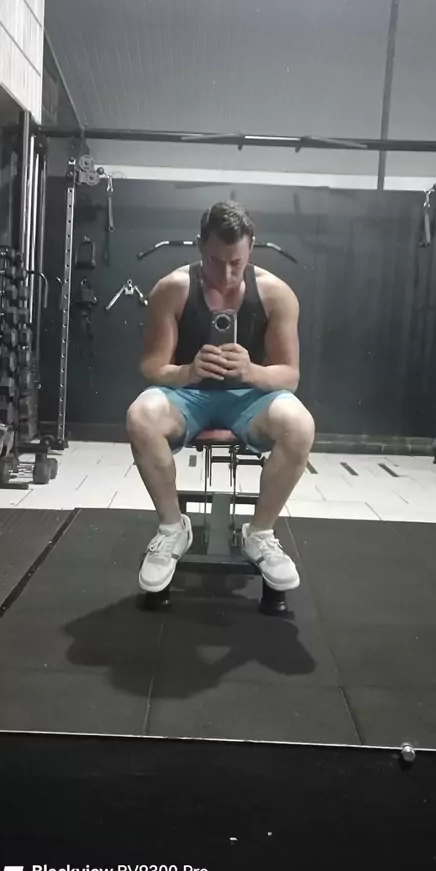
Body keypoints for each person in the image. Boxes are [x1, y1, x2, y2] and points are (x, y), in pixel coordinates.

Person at [127, 202, 315, 595]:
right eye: (215, 261)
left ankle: (260, 534)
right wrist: (187, 372)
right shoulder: (173, 289)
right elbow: (151, 366)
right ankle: (172, 529)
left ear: (251, 249)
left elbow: (289, 375)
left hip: (250, 398)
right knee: (141, 415)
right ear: (200, 246)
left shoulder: (277, 294)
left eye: (236, 263)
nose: (227, 274)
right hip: (187, 395)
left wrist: (252, 372)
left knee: (299, 424)